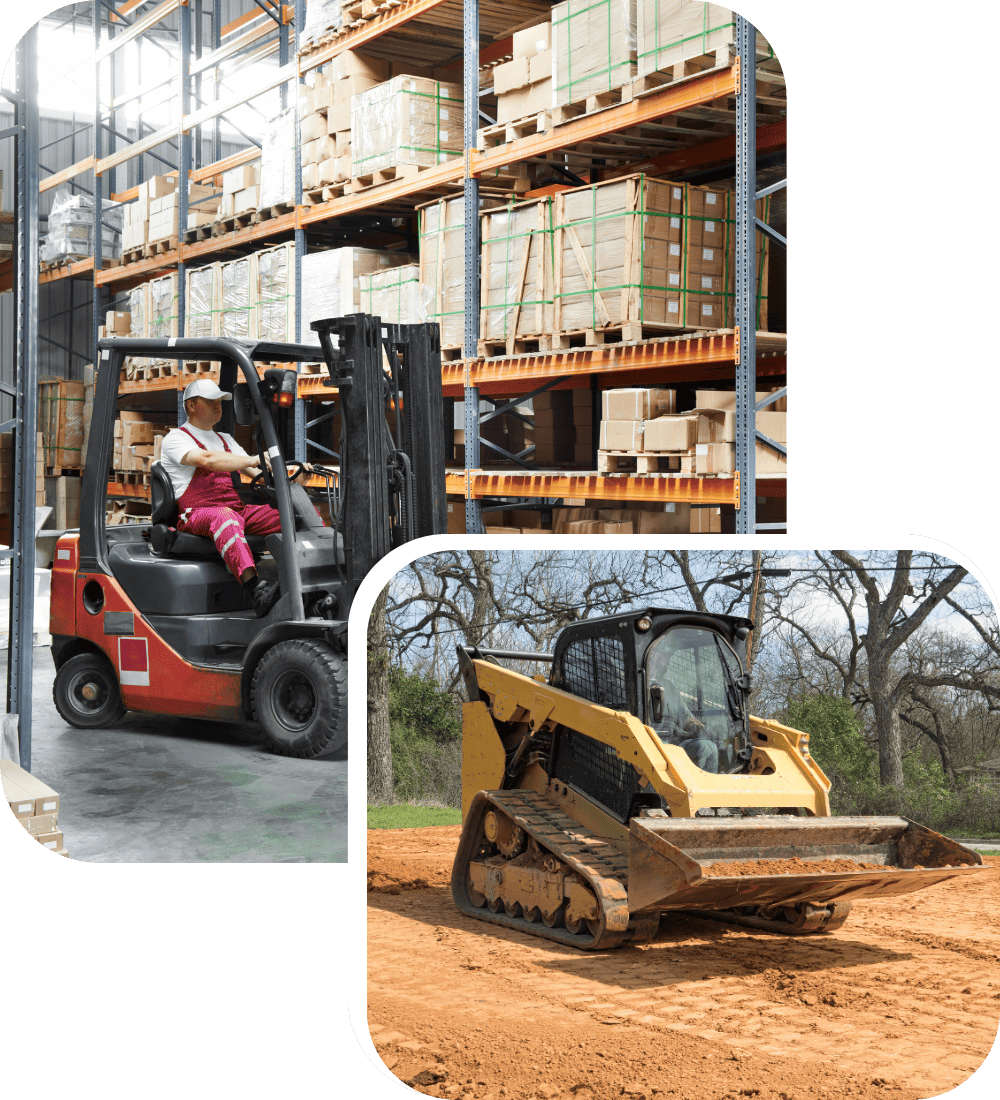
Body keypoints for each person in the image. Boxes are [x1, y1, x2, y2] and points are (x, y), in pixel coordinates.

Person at [158, 379, 282, 618]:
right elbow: (207, 460)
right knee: (226, 518)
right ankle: (256, 590)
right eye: (210, 402)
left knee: (288, 516)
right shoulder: (176, 438)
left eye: (220, 402)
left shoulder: (226, 439)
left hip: (233, 509)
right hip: (195, 512)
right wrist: (253, 459)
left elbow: (257, 473)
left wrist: (293, 476)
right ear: (191, 406)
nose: (218, 407)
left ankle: (300, 579)